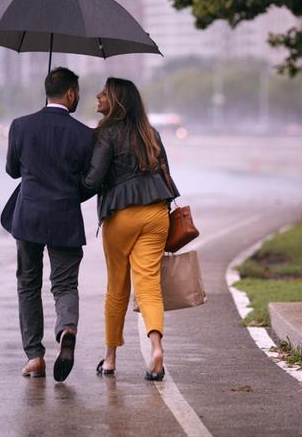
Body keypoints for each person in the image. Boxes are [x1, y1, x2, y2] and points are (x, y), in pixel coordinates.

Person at [82, 77, 179, 381]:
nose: (98, 96)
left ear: (117, 102)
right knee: (149, 285)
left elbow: (93, 180)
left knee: (117, 287)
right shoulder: (151, 133)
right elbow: (165, 172)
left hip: (121, 215)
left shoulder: (106, 134)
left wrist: (65, 191)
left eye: (104, 94)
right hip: (156, 212)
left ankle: (110, 359)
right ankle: (156, 350)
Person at [4, 67, 94, 382]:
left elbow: (12, 170)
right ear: (70, 93)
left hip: (28, 217)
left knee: (28, 284)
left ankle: (34, 357)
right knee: (65, 284)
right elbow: (91, 180)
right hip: (66, 216)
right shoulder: (85, 134)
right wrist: (70, 193)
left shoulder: (20, 126)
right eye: (78, 93)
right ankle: (66, 328)